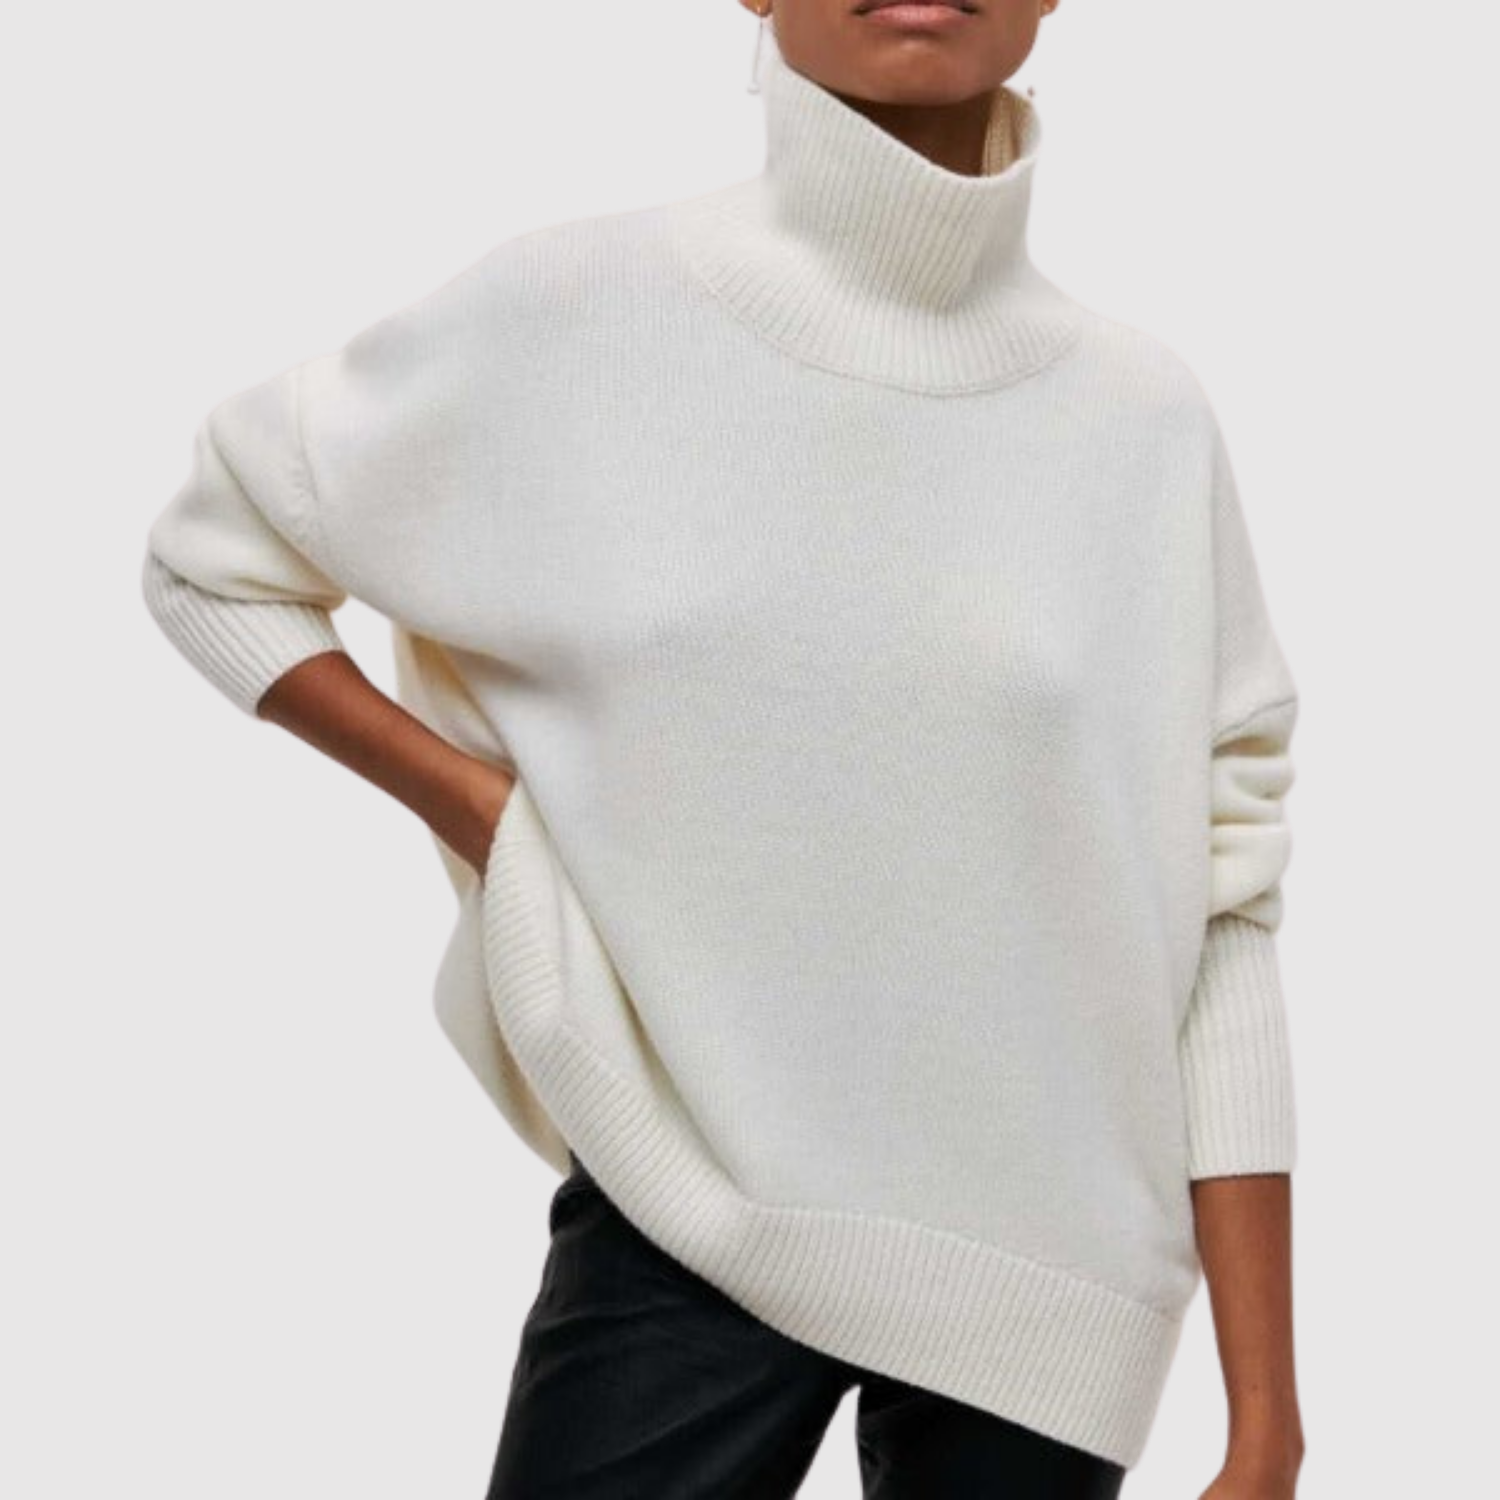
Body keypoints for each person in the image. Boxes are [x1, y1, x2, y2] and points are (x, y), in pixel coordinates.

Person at [140, 2, 1307, 1496]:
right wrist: (490, 814)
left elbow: (1221, 917)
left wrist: (1265, 1419)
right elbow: (216, 561)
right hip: (684, 1209)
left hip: (1055, 1287)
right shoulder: (579, 309)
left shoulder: (1141, 418)